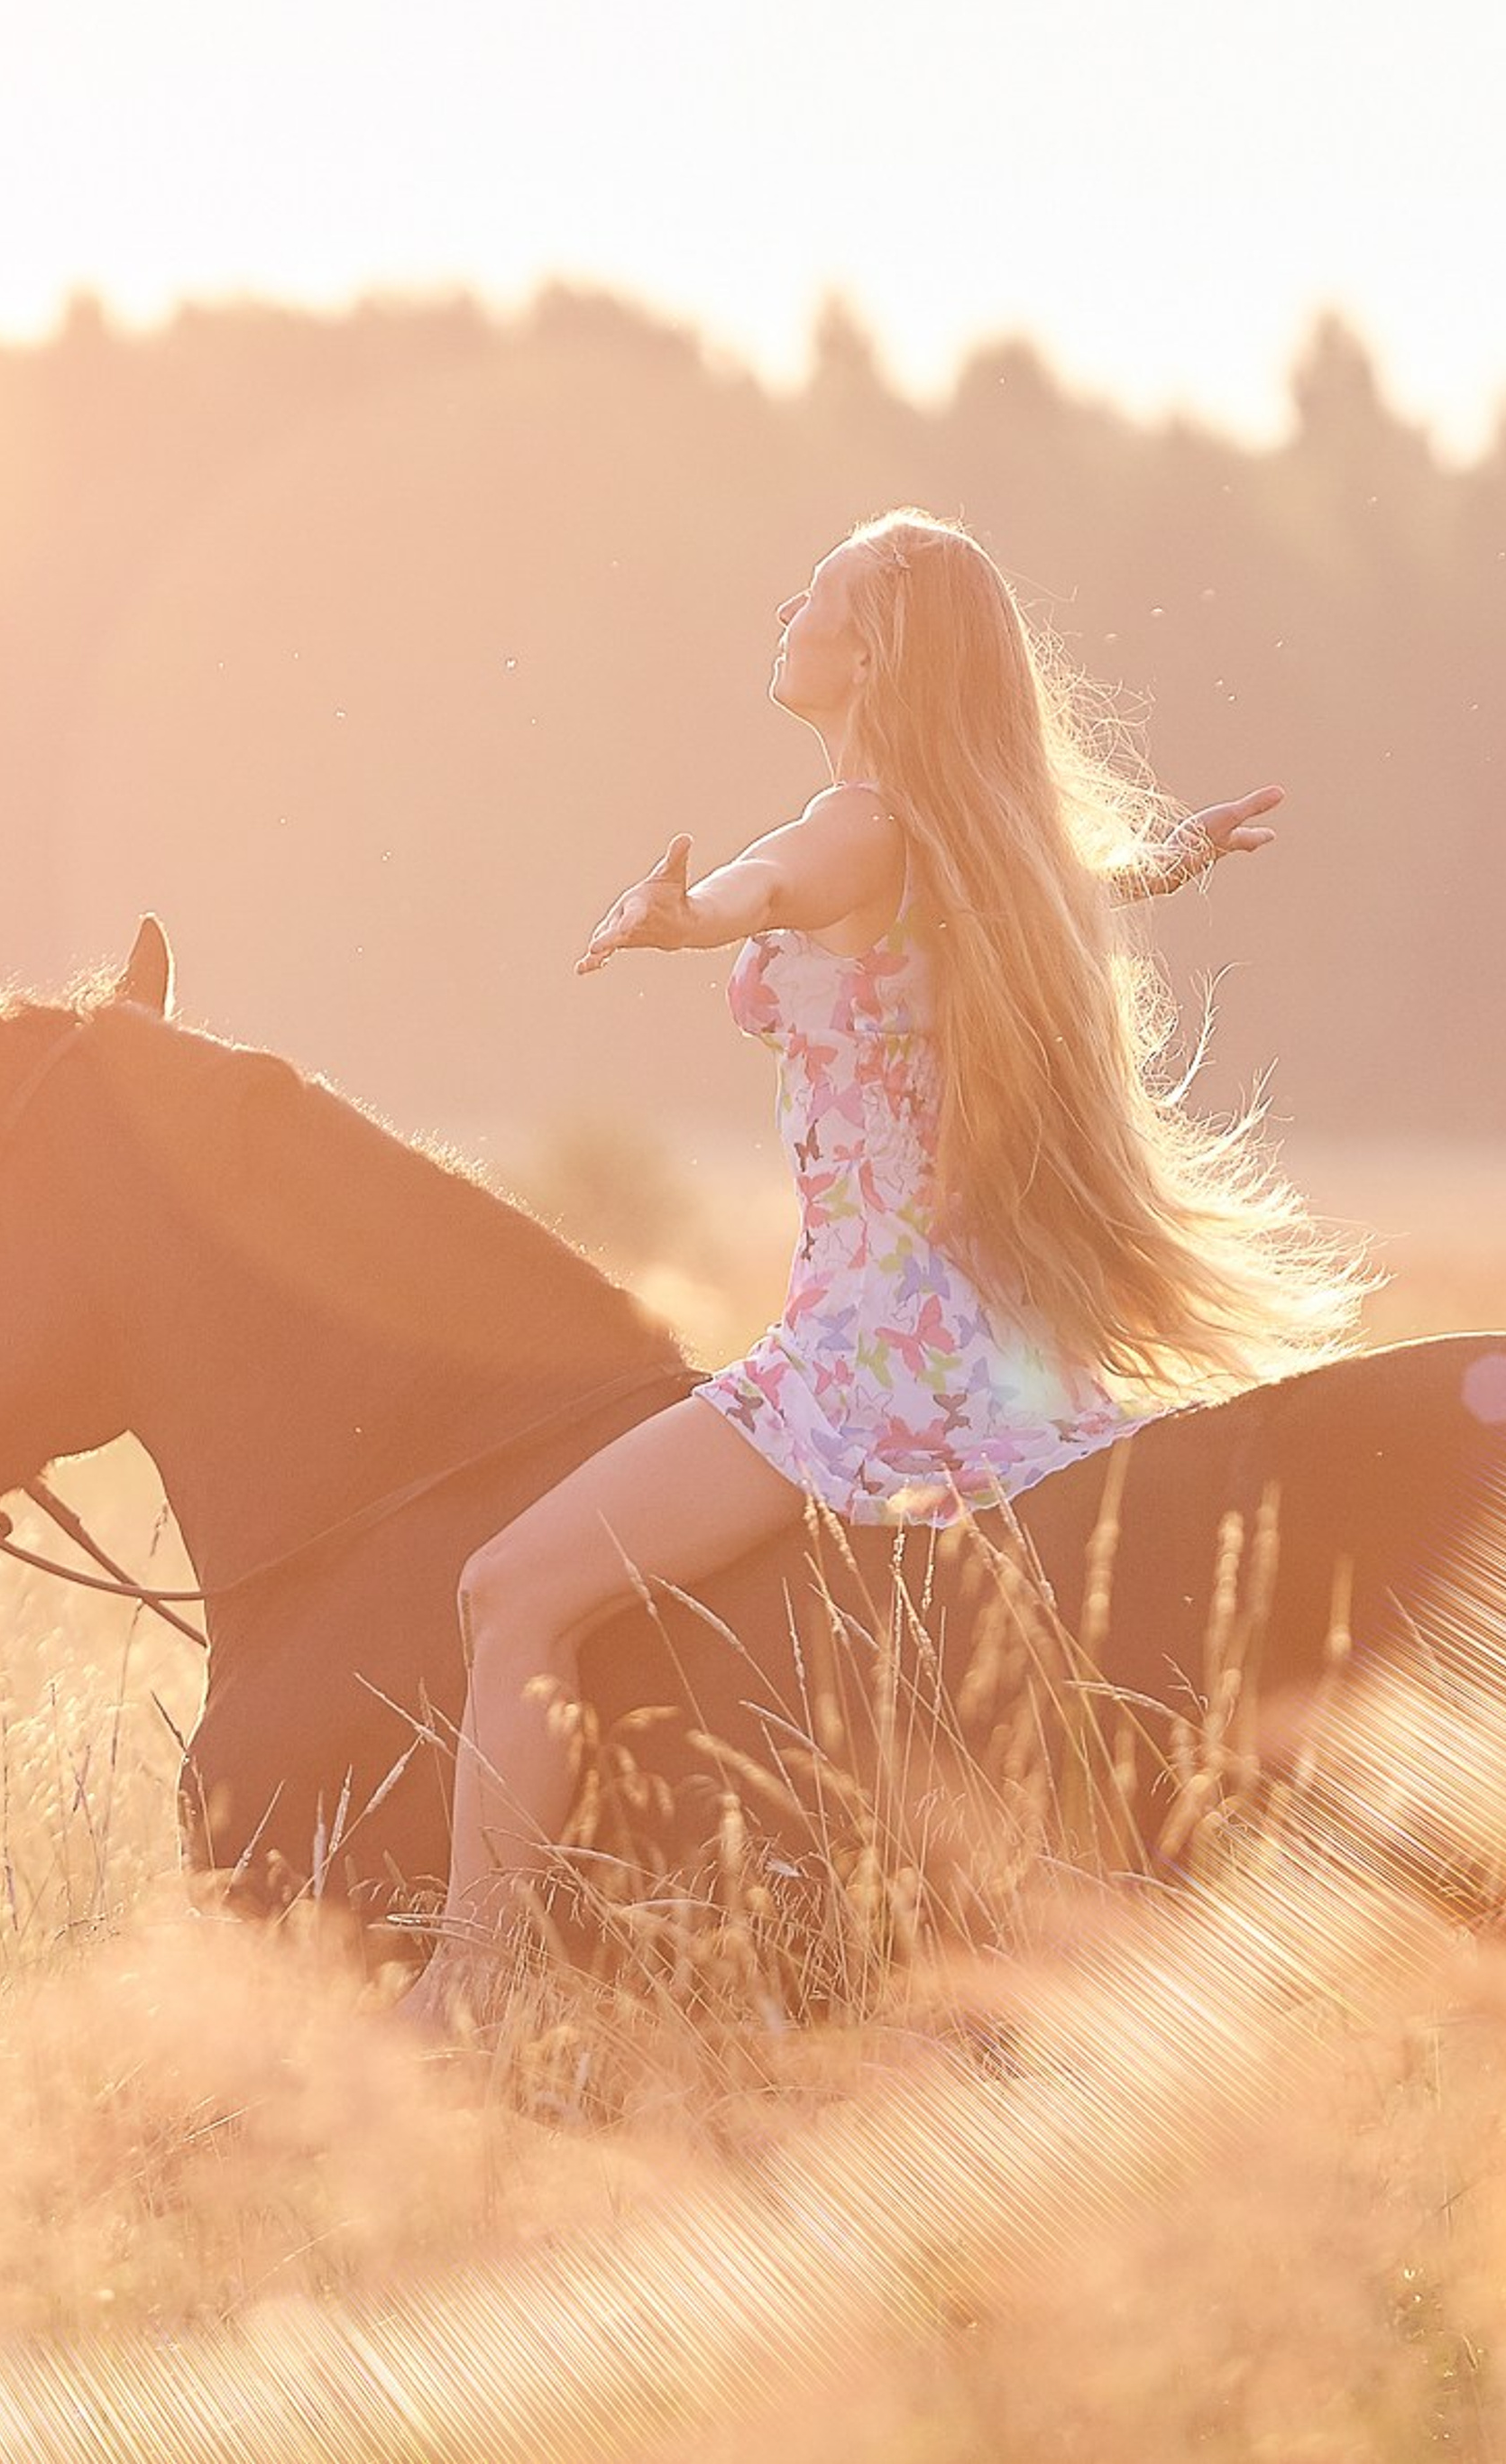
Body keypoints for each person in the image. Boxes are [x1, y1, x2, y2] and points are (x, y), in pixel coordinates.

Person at [399, 506, 1364, 2035]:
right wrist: (1170, 861)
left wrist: (680, 917)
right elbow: (1068, 871)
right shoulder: (977, 832)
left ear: (875, 651)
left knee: (507, 1591)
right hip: (991, 1333)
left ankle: (469, 1982)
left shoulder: (858, 823)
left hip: (867, 1354)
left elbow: (767, 887)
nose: (789, 610)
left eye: (820, 595)